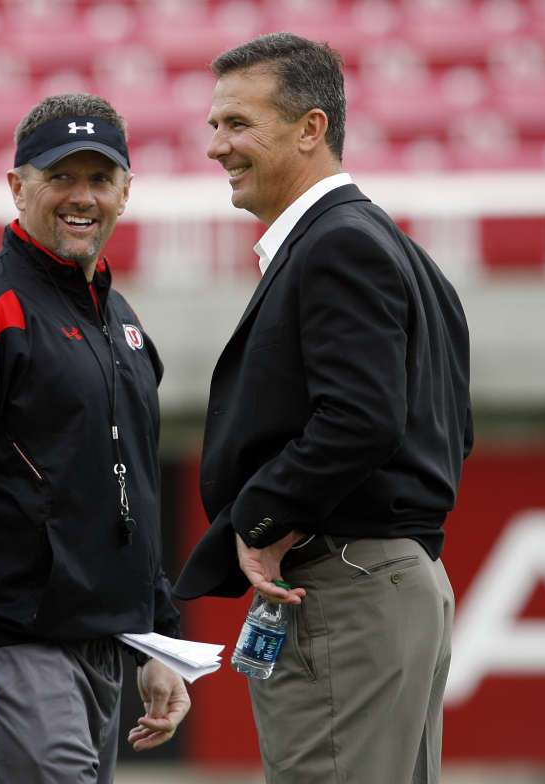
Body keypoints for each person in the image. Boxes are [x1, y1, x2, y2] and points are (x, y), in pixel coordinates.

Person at [174, 33, 472, 784]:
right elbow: (446, 427)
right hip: (384, 582)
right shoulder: (391, 246)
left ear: (311, 128)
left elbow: (363, 419)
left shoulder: (338, 244)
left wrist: (264, 520)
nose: (217, 147)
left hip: (344, 586)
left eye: (237, 124)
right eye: (214, 126)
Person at [0, 93, 190, 784]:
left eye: (100, 179)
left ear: (126, 192)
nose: (82, 197)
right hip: (4, 642)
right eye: (61, 177)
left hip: (101, 644)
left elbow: (130, 492)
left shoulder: (125, 324)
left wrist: (158, 637)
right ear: (17, 186)